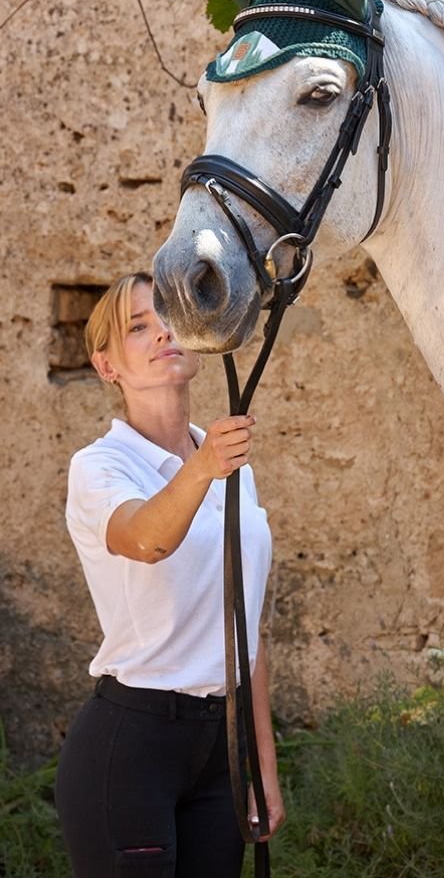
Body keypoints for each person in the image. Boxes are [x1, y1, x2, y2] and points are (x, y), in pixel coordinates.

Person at [55, 272, 285, 877]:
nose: (161, 332)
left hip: (219, 750)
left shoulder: (226, 461)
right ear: (108, 366)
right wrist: (204, 469)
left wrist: (261, 763)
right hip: (132, 743)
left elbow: (246, 626)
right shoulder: (100, 467)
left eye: (168, 316)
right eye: (137, 327)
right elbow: (147, 539)